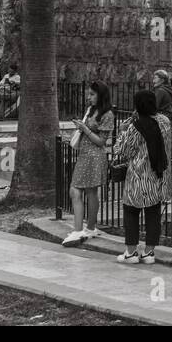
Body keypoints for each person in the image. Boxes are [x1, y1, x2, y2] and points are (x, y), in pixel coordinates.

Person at [111, 89, 171, 264]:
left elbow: (122, 151)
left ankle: (131, 253)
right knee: (153, 213)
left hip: (139, 175)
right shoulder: (165, 122)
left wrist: (122, 131)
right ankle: (149, 253)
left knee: (131, 212)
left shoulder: (135, 127)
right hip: (159, 174)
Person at [63, 80, 115, 245]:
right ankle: (89, 228)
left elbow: (102, 141)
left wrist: (85, 129)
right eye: (89, 94)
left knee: (76, 190)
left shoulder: (107, 114)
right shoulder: (91, 110)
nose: (89, 97)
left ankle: (79, 230)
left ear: (101, 95)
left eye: (92, 94)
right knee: (89, 192)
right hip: (85, 154)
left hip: (94, 156)